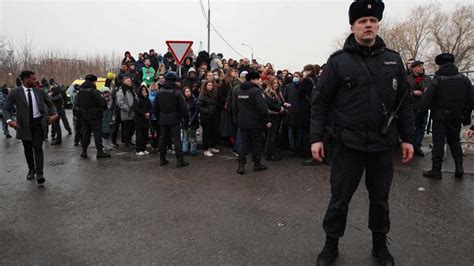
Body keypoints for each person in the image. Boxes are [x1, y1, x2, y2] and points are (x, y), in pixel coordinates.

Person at [310, 1, 415, 265]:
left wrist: (409, 139)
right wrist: (315, 138)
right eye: (362, 21)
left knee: (380, 200)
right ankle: (330, 246)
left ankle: (380, 247)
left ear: (378, 24)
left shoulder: (393, 60)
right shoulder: (338, 62)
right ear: (352, 26)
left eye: (372, 20)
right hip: (348, 145)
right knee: (339, 200)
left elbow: (404, 103)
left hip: (382, 145)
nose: (368, 24)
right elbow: (320, 103)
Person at [418, 53, 474, 179]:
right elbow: (471, 99)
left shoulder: (437, 79)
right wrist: (465, 115)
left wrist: (420, 111)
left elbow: (427, 99)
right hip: (456, 116)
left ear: (440, 65)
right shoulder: (464, 79)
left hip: (440, 116)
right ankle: (459, 168)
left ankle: (436, 170)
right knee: (455, 142)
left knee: (438, 142)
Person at [2, 70, 58, 184]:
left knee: (38, 148)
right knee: (28, 149)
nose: (36, 80)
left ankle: (40, 174)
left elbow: (50, 104)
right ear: (25, 80)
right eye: (33, 79)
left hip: (38, 124)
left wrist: (54, 114)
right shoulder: (15, 92)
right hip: (23, 126)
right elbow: (5, 108)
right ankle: (31, 170)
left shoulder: (40, 91)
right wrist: (9, 121)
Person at [234, 71, 269, 175]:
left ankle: (241, 166)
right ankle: (257, 164)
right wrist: (265, 120)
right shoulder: (256, 91)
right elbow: (263, 109)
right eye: (258, 79)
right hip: (255, 123)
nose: (260, 81)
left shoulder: (240, 90)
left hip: (242, 122)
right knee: (256, 144)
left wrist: (238, 119)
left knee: (243, 145)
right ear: (252, 80)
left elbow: (235, 107)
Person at [154, 71, 190, 167]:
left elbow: (155, 108)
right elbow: (184, 109)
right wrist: (186, 120)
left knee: (163, 139)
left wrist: (159, 118)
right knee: (177, 140)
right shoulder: (177, 92)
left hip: (163, 119)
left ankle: (162, 159)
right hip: (174, 119)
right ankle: (179, 160)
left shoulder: (159, 92)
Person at [76, 74, 111, 159]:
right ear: (93, 81)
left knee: (85, 133)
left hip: (84, 115)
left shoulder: (80, 90)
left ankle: (84, 151)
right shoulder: (93, 91)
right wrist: (104, 106)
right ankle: (100, 151)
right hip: (95, 116)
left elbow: (77, 103)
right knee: (97, 134)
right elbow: (102, 103)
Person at [407, 60, 432, 156]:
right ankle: (410, 145)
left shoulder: (427, 79)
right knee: (410, 127)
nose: (421, 68)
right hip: (411, 106)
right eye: (418, 66)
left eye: (422, 66)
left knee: (421, 127)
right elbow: (403, 92)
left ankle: (417, 146)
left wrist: (427, 91)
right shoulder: (407, 79)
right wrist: (413, 93)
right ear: (413, 68)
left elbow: (431, 91)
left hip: (423, 106)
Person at [197, 80, 220, 157]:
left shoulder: (214, 94)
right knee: (206, 133)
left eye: (211, 85)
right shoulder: (202, 95)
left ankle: (211, 146)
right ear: (205, 86)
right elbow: (199, 106)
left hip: (213, 116)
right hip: (206, 117)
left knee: (213, 132)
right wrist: (207, 111)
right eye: (209, 85)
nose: (210, 86)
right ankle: (206, 149)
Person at [116, 76, 136, 148]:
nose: (130, 82)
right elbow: (120, 102)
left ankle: (130, 141)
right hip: (126, 113)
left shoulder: (131, 90)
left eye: (130, 81)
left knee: (132, 128)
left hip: (133, 113)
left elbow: (135, 98)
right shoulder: (121, 91)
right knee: (127, 129)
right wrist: (127, 109)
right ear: (124, 82)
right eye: (128, 81)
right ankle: (127, 143)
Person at [134, 83, 152, 156]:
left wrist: (149, 113)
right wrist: (144, 113)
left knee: (145, 135)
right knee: (139, 134)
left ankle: (144, 148)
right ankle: (139, 149)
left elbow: (150, 108)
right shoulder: (137, 99)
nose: (144, 91)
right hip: (139, 119)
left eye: (145, 90)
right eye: (143, 90)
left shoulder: (147, 99)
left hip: (146, 119)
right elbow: (136, 109)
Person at [182, 87, 199, 155]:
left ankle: (193, 150)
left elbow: (196, 111)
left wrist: (191, 120)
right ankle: (185, 149)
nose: (188, 92)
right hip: (184, 121)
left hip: (193, 121)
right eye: (186, 91)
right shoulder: (182, 100)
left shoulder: (194, 100)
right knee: (185, 136)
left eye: (189, 91)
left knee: (193, 136)